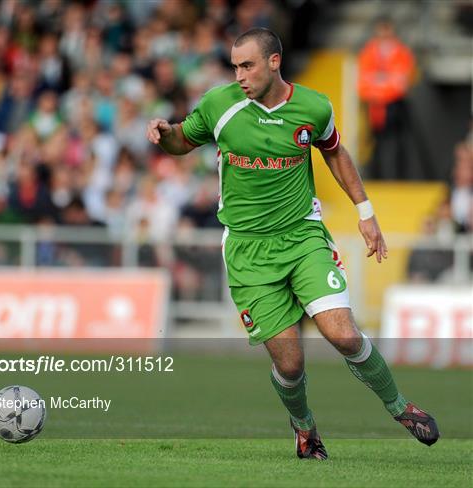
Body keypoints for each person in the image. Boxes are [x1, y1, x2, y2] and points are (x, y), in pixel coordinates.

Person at [146, 28, 439, 460]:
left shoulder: (314, 107)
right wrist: (165, 131)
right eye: (235, 67)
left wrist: (365, 212)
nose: (239, 75)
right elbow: (182, 142)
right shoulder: (219, 105)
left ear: (274, 62)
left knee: (342, 333)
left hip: (302, 236)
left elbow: (335, 152)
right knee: (291, 364)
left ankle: (400, 407)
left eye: (247, 65)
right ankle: (304, 429)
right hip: (247, 250)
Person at [357, 17, 416, 179]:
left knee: (399, 143)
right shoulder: (369, 52)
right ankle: (377, 178)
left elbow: (402, 83)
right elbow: (363, 82)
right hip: (375, 106)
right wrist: (385, 84)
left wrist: (379, 84)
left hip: (395, 105)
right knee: (375, 145)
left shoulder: (402, 52)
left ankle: (399, 179)